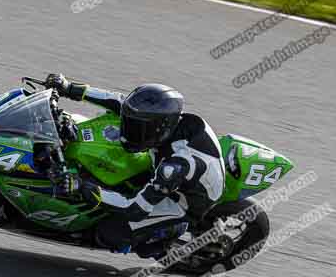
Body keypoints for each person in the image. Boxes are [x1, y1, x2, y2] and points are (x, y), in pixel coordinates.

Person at [45, 74, 227, 257]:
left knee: (110, 232)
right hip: (179, 166)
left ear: (158, 129)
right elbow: (119, 101)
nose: (126, 132)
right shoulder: (166, 122)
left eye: (137, 129)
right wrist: (68, 87)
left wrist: (81, 186)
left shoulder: (174, 167)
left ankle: (171, 231)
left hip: (184, 201)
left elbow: (134, 209)